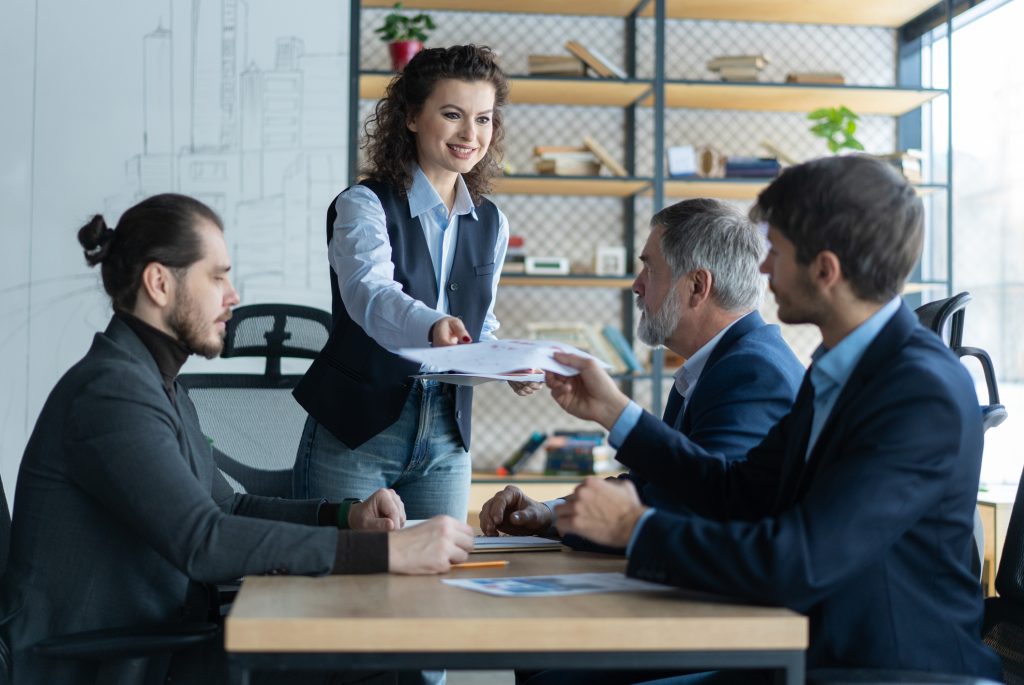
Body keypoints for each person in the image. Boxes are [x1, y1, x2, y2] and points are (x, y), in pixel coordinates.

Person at [539, 156, 1002, 684]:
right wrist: (613, 412)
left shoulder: (921, 391)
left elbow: (800, 561)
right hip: (811, 653)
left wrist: (635, 528)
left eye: (775, 252)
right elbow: (739, 489)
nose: (761, 270)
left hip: (880, 671)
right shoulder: (838, 367)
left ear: (825, 271)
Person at [0, 194, 475, 685]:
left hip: (158, 645)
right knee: (368, 664)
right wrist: (390, 554)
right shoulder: (111, 393)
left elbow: (227, 509)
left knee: (367, 657)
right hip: (102, 663)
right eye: (217, 276)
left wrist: (345, 517)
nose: (233, 295)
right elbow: (204, 541)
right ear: (159, 282)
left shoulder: (155, 383)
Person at [292, 44, 538, 525]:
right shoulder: (363, 205)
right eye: (452, 114)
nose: (471, 134)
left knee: (436, 589)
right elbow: (370, 295)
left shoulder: (492, 222)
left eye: (485, 119)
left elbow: (479, 324)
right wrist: (434, 326)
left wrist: (508, 366)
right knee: (341, 586)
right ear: (410, 117)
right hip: (357, 432)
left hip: (447, 438)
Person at [479, 198, 804, 538]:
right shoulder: (719, 361)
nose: (637, 284)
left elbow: (697, 509)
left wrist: (614, 411)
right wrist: (547, 513)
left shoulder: (751, 372)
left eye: (650, 268)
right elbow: (655, 484)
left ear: (696, 287)